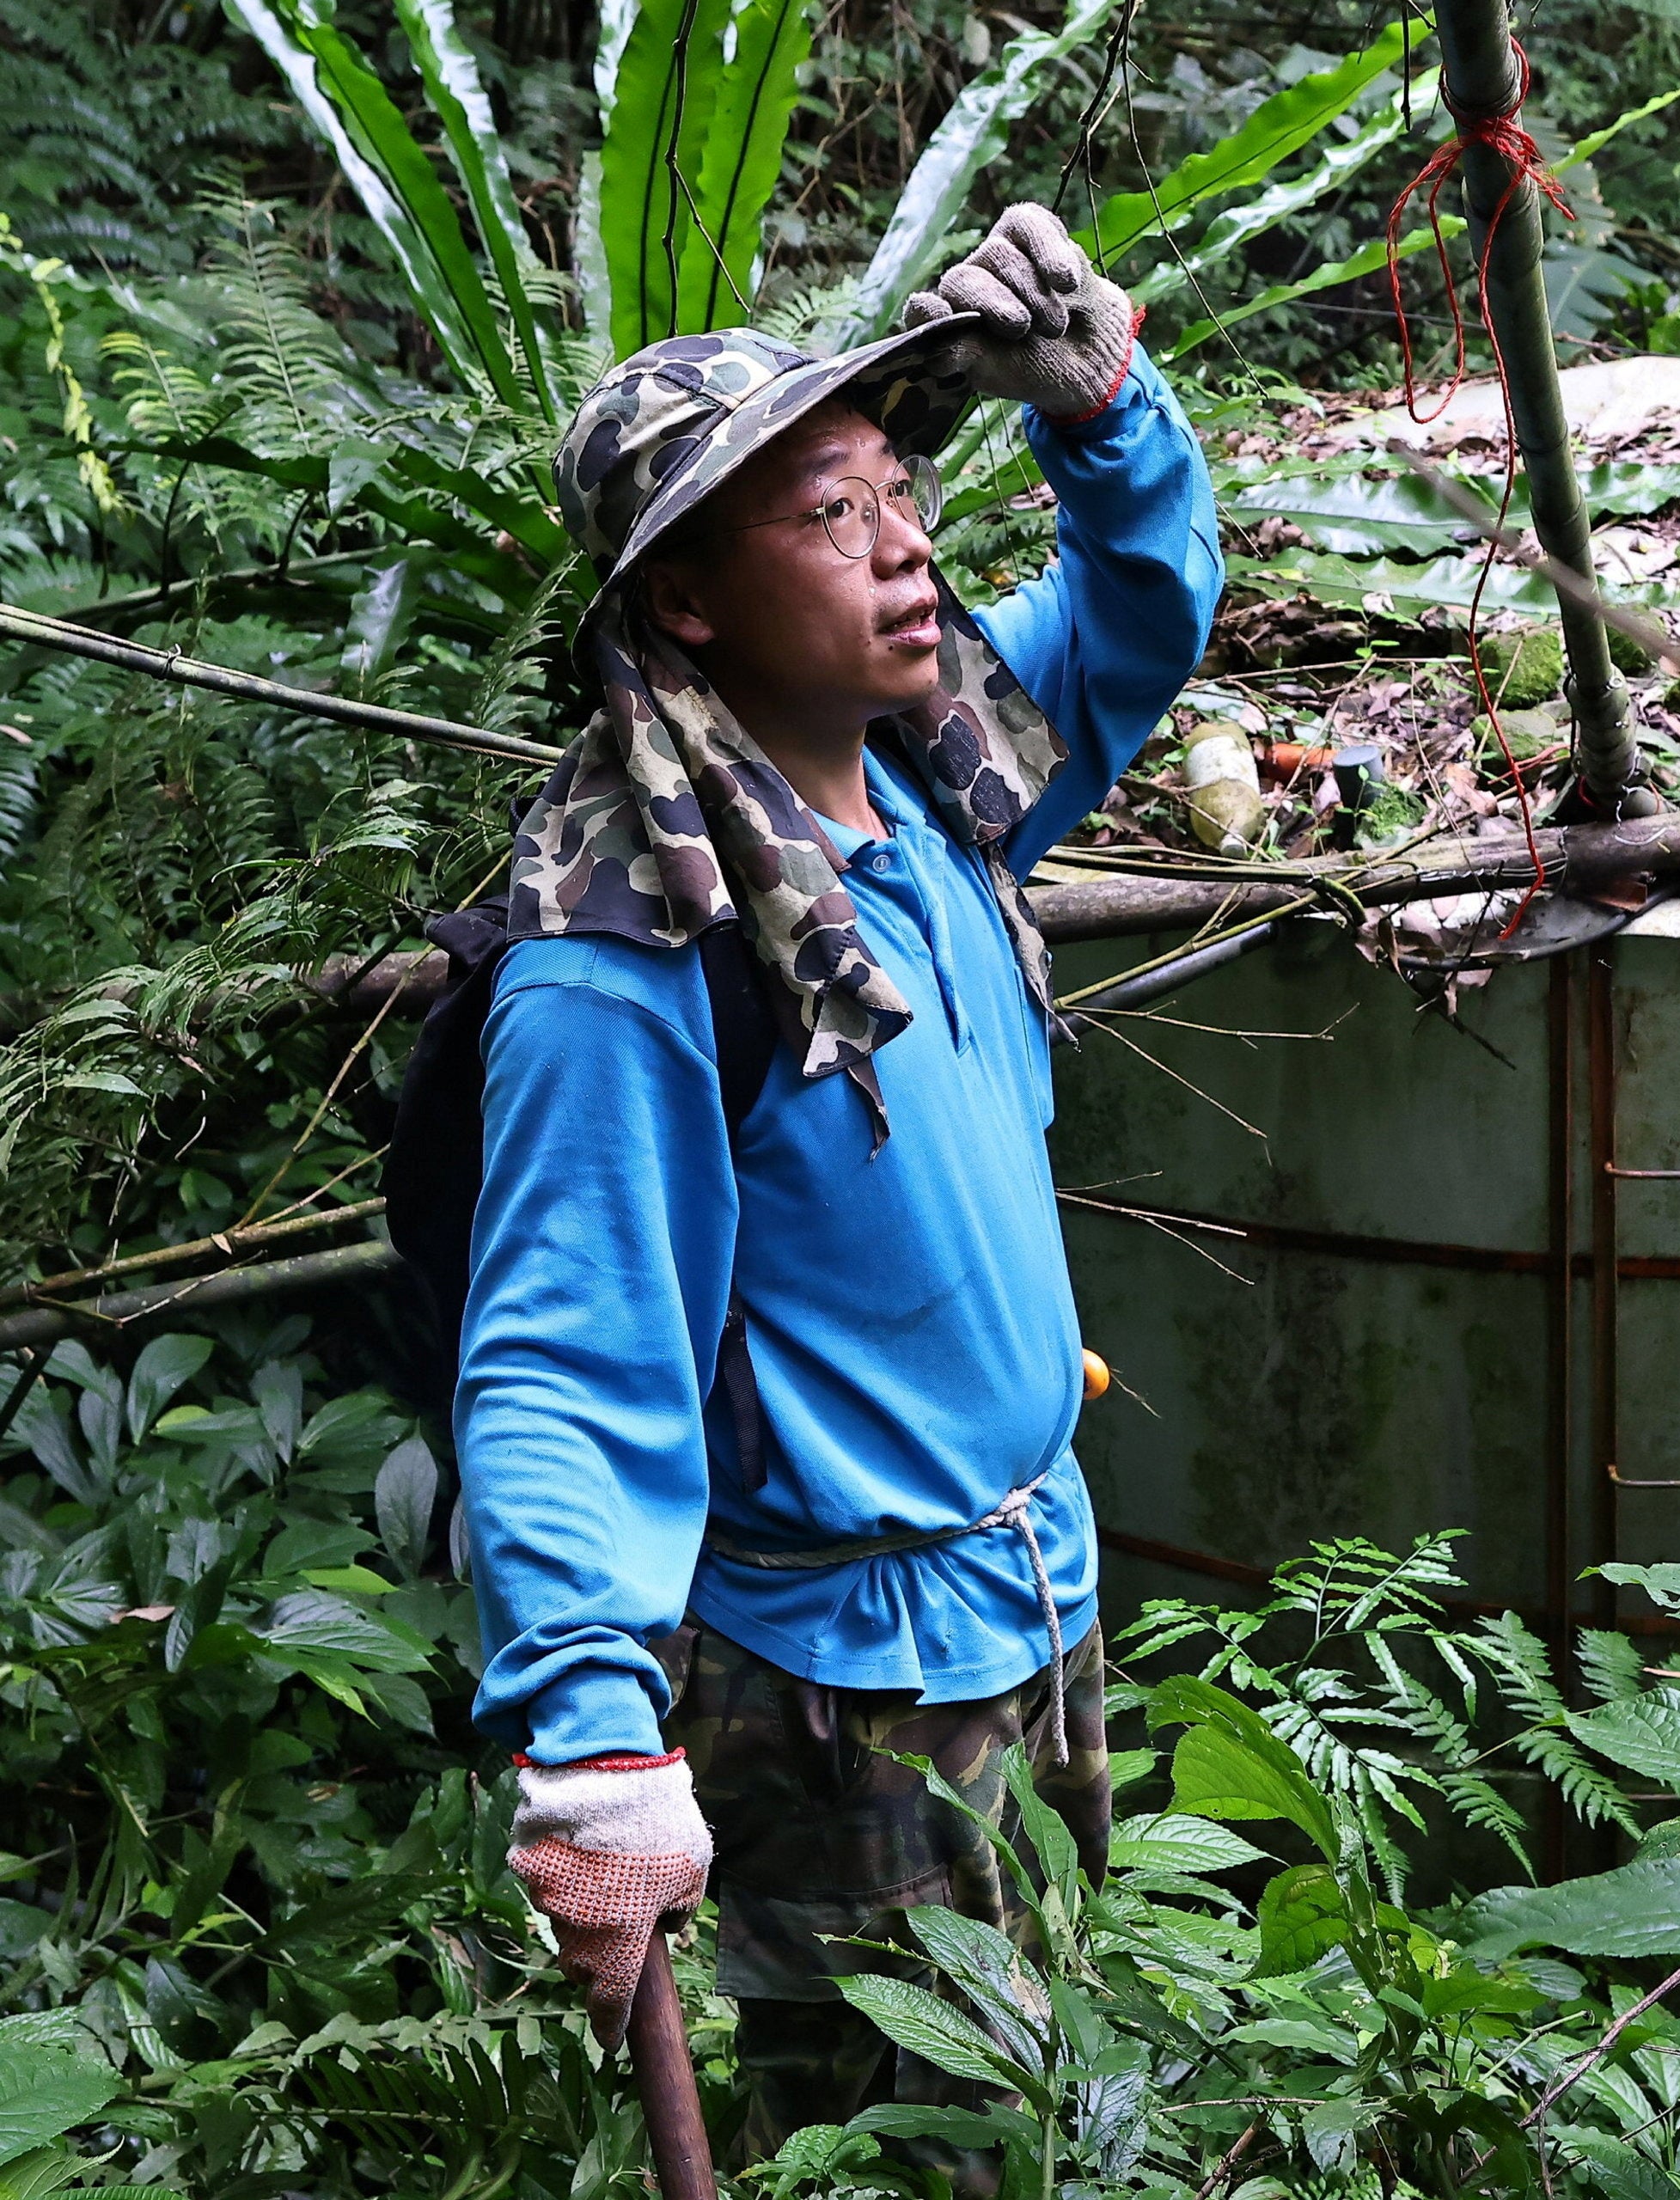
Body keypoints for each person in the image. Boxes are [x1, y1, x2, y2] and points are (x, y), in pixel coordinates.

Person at [455, 206, 1217, 2166]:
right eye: (827, 515)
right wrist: (594, 1735)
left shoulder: (939, 774)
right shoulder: (636, 940)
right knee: (914, 2145)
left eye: (901, 490)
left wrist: (1102, 409)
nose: (905, 546)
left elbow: (1139, 617)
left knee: (1034, 2108)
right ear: (686, 602)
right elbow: (559, 1347)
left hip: (1031, 1592)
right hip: (844, 1685)